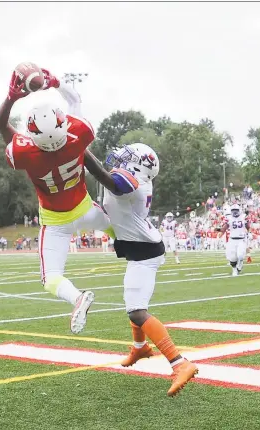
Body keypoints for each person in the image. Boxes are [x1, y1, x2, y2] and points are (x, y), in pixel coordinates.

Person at [0, 66, 130, 334]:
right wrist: (55, 82)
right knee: (117, 228)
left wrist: (11, 98)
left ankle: (77, 297)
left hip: (56, 222)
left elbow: (1, 126)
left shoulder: (24, 153)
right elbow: (75, 101)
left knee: (50, 278)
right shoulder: (79, 134)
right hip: (86, 210)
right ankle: (134, 245)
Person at [84, 143, 198, 397]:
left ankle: (180, 363)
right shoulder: (134, 178)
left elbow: (103, 176)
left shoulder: (132, 182)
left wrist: (80, 151)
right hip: (140, 249)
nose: (120, 159)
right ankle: (140, 348)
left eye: (127, 157)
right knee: (131, 302)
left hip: (146, 253)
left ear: (138, 165)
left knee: (137, 312)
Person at [221, 204, 249, 276]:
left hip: (241, 239)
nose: (235, 212)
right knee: (232, 257)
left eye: (236, 210)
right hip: (232, 239)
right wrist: (220, 231)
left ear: (239, 210)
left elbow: (248, 226)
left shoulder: (243, 217)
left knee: (241, 255)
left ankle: (239, 265)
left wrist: (249, 230)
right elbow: (225, 227)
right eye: (233, 210)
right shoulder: (229, 217)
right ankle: (234, 270)